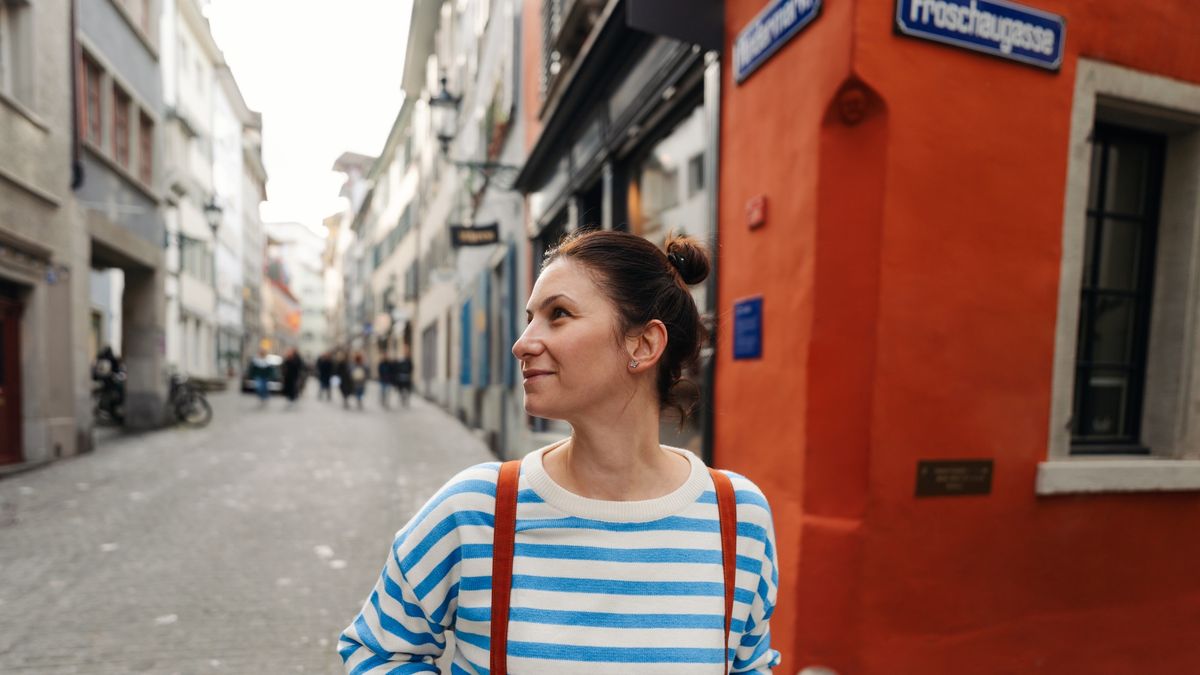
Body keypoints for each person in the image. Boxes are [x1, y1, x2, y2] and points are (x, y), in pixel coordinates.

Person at [339, 231, 781, 674]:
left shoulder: (737, 516)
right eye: (530, 318)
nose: (522, 343)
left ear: (644, 344)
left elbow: (752, 667)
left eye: (559, 315)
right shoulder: (477, 509)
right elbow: (376, 651)